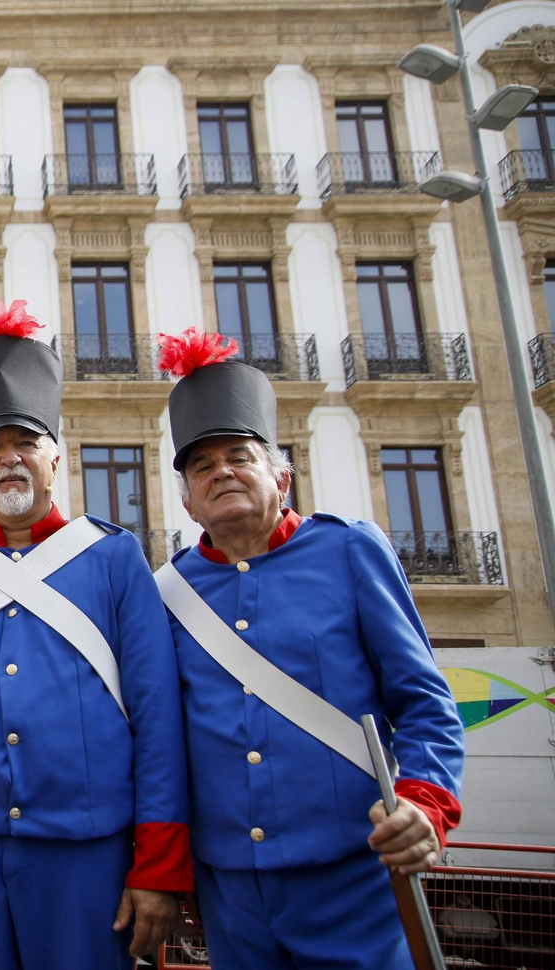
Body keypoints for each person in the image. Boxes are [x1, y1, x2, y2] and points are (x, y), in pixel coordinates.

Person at [0, 300, 191, 968]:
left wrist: (159, 864)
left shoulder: (113, 559)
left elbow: (158, 719)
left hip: (89, 856)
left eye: (26, 442)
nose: (9, 459)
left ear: (57, 458)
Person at [153, 328, 466, 970]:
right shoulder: (168, 590)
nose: (223, 474)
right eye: (202, 466)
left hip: (355, 875)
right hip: (232, 891)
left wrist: (426, 801)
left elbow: (425, 702)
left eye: (240, 456)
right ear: (186, 499)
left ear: (282, 474)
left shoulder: (350, 549)